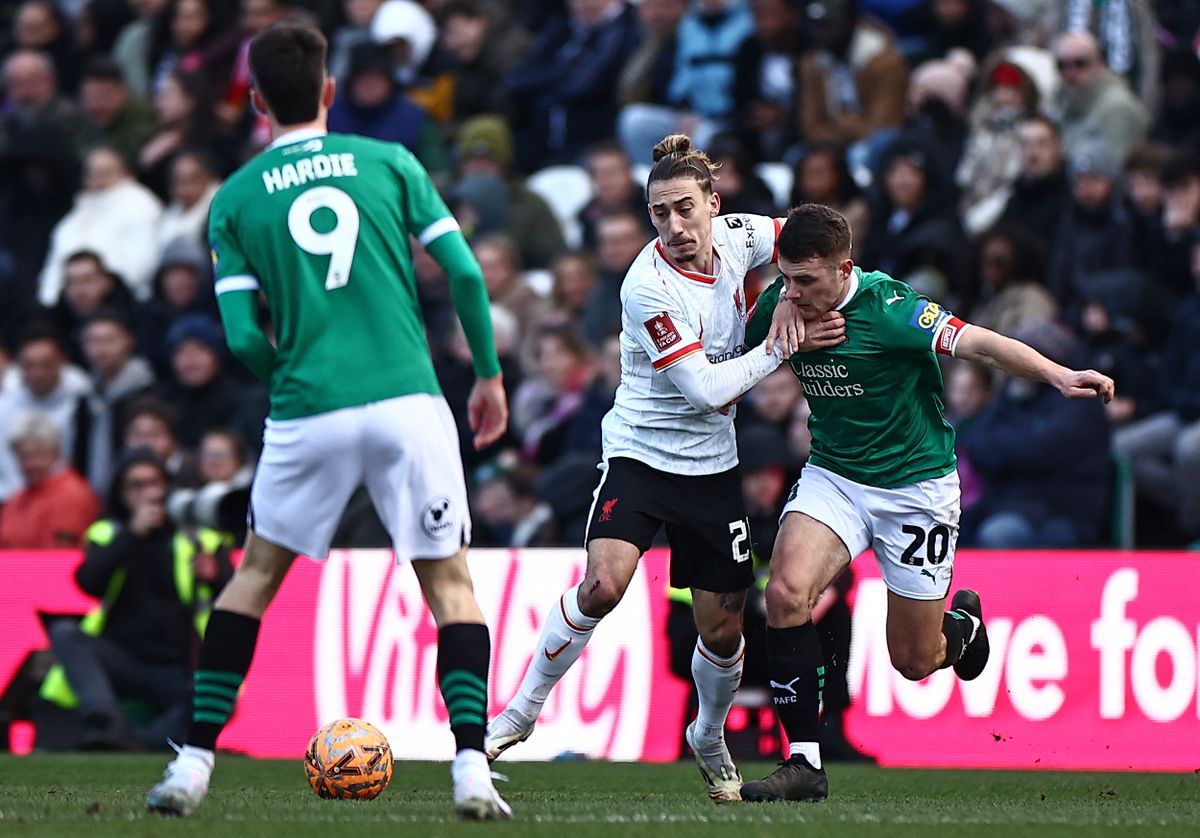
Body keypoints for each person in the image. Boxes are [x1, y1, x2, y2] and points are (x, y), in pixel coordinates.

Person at [145, 21, 512, 820]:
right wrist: (486, 375)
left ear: (255, 101)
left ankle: (194, 765)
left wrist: (295, 379)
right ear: (330, 93)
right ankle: (473, 771)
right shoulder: (391, 163)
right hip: (409, 399)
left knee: (254, 578)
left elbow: (241, 335)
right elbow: (465, 275)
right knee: (449, 584)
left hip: (308, 408)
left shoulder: (235, 197)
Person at [484, 134, 844, 803]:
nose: (674, 227)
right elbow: (708, 392)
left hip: (713, 469)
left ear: (714, 203)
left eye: (685, 209)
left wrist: (813, 289)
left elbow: (810, 238)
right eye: (659, 214)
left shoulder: (741, 236)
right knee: (601, 585)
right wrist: (782, 340)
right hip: (642, 454)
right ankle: (520, 714)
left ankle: (708, 732)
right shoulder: (646, 288)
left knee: (724, 628)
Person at [738, 203, 1114, 802]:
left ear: (845, 268)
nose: (795, 292)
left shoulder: (892, 308)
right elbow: (725, 357)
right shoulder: (782, 304)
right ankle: (804, 762)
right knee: (784, 593)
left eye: (806, 281)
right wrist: (779, 317)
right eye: (786, 278)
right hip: (834, 474)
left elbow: (982, 344)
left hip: (916, 488)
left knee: (914, 661)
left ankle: (960, 626)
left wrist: (1059, 375)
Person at [39, 449, 232, 751]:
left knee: (221, 691)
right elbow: (88, 582)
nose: (149, 493)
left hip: (177, 666)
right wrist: (131, 534)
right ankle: (106, 720)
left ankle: (135, 744)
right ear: (122, 493)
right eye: (136, 486)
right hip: (121, 658)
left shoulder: (200, 538)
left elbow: (234, 598)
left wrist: (215, 575)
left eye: (154, 483)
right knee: (66, 633)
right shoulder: (110, 532)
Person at [0, 412, 100, 549]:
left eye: (37, 455)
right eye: (22, 457)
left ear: (55, 452)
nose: (30, 464)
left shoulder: (71, 496)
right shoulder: (17, 498)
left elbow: (61, 556)